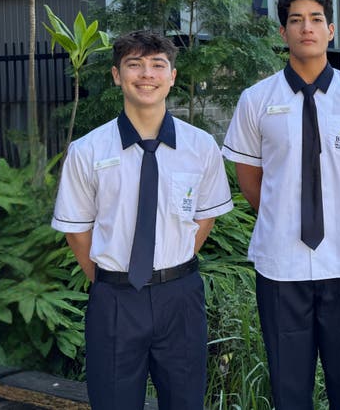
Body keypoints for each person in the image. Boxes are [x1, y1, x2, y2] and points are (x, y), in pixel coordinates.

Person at [222, 0, 340, 410]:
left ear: (331, 30)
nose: (306, 28)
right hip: (281, 264)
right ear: (283, 33)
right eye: (296, 21)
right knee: (288, 386)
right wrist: (284, 215)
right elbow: (249, 179)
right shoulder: (256, 100)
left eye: (315, 20)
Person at [51, 30, 234, 409]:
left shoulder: (201, 148)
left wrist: (168, 266)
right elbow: (77, 231)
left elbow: (203, 220)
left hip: (180, 297)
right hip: (115, 299)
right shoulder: (87, 151)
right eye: (134, 65)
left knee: (185, 402)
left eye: (157, 65)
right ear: (117, 75)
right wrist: (115, 278)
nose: (145, 74)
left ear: (172, 76)